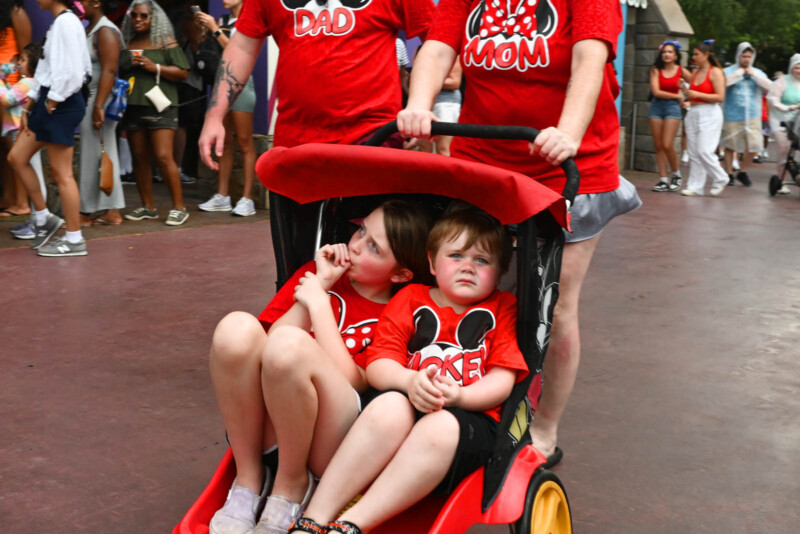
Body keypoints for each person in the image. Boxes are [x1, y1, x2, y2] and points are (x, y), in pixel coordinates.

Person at [397, 0, 639, 467]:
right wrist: (418, 105)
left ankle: (544, 426)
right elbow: (437, 47)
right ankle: (469, 401)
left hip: (568, 165)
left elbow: (589, 60)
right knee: (466, 287)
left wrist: (566, 133)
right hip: (485, 159)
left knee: (553, 302)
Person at [289, 205, 528, 534]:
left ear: (499, 273)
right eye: (456, 256)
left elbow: (503, 378)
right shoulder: (411, 299)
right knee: (389, 404)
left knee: (439, 426)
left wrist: (461, 395)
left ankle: (350, 524)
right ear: (432, 262)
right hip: (405, 402)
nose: (468, 267)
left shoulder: (502, 307)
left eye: (482, 260)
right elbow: (379, 364)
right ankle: (312, 519)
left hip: (466, 420)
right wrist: (409, 379)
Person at [207, 200, 433, 534]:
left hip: (332, 440)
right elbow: (265, 349)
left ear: (399, 273)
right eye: (360, 231)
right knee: (235, 328)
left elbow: (355, 382)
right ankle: (248, 479)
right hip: (274, 420)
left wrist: (318, 305)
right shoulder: (314, 278)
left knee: (292, 346)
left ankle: (291, 484)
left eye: (373, 247)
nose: (354, 246)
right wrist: (321, 284)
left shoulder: (401, 309)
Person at [197, 0, 435, 169]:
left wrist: (420, 105)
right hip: (296, 144)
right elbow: (242, 47)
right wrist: (214, 116)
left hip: (371, 138)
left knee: (366, 237)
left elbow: (436, 41)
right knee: (299, 238)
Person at [7, 0, 91, 257]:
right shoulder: (61, 23)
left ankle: (75, 238)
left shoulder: (67, 22)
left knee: (61, 173)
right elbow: (45, 70)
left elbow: (74, 72)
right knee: (17, 157)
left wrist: (52, 100)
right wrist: (31, 105)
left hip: (60, 102)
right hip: (49, 101)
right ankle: (44, 218)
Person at [120, 0, 191, 226]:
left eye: (143, 16)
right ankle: (147, 206)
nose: (138, 20)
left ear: (154, 18)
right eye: (134, 15)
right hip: (133, 105)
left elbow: (183, 73)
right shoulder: (128, 41)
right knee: (139, 158)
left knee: (162, 156)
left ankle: (179, 208)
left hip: (161, 106)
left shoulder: (166, 42)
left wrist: (155, 67)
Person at [195, 0, 258, 217]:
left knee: (245, 142)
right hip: (221, 87)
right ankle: (222, 196)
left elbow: (237, 53)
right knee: (226, 142)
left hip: (242, 86)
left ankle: (247, 198)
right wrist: (206, 32)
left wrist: (214, 29)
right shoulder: (221, 21)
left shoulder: (248, 21)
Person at [78, 0, 125, 226]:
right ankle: (109, 209)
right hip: (93, 97)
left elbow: (110, 69)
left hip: (100, 98)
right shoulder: (94, 29)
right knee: (100, 152)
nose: (79, 3)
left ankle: (90, 211)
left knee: (95, 153)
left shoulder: (105, 30)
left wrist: (98, 106)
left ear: (97, 3)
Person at [0, 43, 46, 236]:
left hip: (22, 132)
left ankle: (40, 221)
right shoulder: (27, 82)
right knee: (32, 173)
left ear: (33, 64)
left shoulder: (28, 83)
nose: (20, 63)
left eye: (24, 60)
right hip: (21, 132)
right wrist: (8, 70)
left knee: (33, 174)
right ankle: (37, 218)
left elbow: (5, 99)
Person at [680, 41, 729, 197]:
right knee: (694, 152)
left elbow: (719, 96)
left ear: (706, 55)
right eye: (693, 54)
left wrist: (698, 95)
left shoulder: (715, 72)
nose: (694, 57)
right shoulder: (695, 73)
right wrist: (685, 92)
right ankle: (695, 186)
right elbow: (694, 98)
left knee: (704, 151)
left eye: (696, 54)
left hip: (710, 113)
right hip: (694, 112)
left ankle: (721, 178)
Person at [721, 42, 771, 186]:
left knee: (754, 145)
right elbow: (721, 85)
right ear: (738, 55)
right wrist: (738, 75)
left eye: (749, 57)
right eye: (744, 56)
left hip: (753, 115)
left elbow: (770, 87)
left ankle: (743, 172)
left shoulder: (757, 72)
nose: (746, 59)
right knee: (729, 145)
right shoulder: (729, 71)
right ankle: (729, 173)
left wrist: (754, 75)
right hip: (732, 114)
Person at [0, 0, 31, 214]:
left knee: (14, 147)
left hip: (11, 91)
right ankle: (9, 197)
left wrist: (21, 93)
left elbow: (26, 56)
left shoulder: (16, 11)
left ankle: (22, 203)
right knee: (3, 147)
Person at [649, 40, 687, 192]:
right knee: (658, 146)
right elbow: (656, 92)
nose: (666, 54)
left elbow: (694, 84)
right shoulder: (655, 70)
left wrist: (687, 97)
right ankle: (663, 179)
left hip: (672, 108)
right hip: (656, 106)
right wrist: (677, 96)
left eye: (670, 52)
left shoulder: (682, 71)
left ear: (676, 55)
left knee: (667, 144)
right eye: (664, 52)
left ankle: (676, 174)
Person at [767, 55, 800, 195]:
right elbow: (773, 98)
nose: (799, 70)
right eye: (797, 67)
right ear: (792, 67)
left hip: (798, 120)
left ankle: (796, 172)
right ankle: (782, 178)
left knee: (796, 148)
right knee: (784, 147)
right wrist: (785, 107)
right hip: (780, 119)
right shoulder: (782, 82)